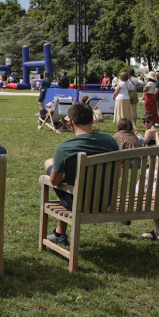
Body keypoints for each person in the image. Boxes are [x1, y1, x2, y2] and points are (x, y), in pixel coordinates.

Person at [43, 103, 119, 245]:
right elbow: (118, 173)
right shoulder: (110, 141)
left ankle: (59, 234)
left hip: (78, 203)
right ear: (92, 121)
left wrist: (50, 167)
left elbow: (54, 181)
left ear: (70, 122)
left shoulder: (64, 148)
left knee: (51, 164)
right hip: (106, 201)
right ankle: (60, 232)